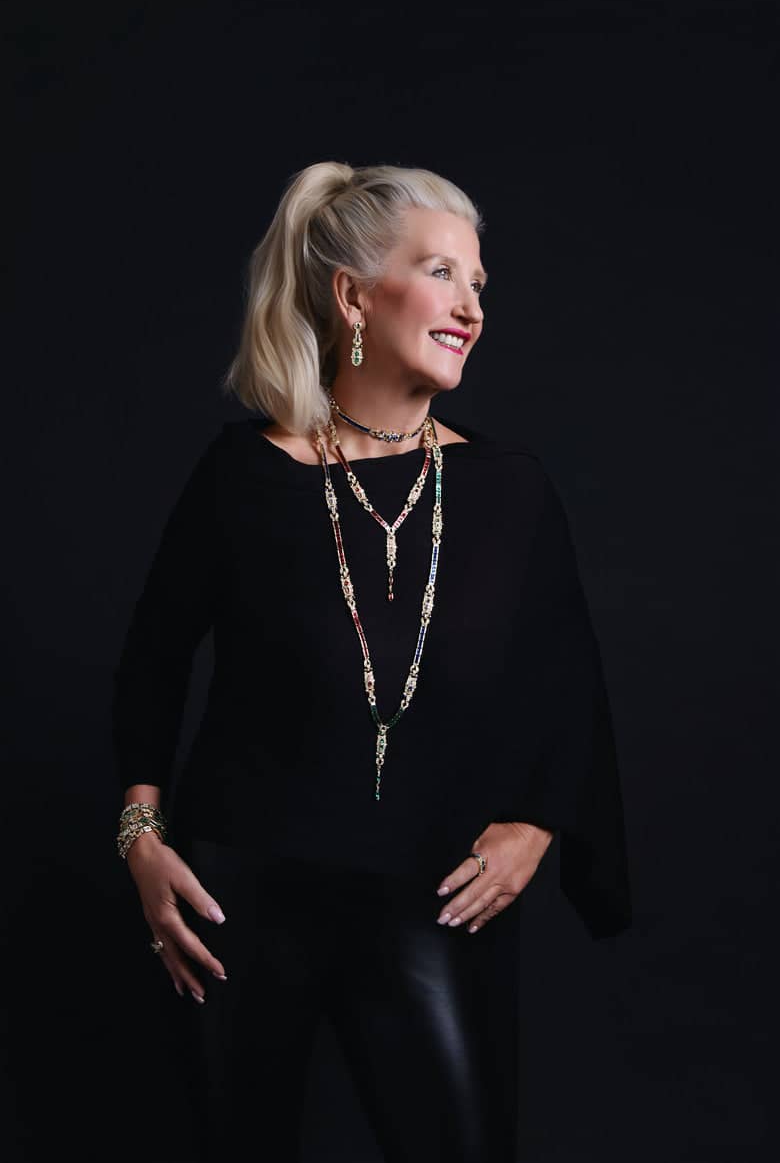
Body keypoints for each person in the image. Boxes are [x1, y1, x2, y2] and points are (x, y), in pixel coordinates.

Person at [112, 161, 632, 1162]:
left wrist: (536, 823)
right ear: (352, 296)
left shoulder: (509, 489)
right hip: (238, 896)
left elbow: (568, 685)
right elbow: (151, 659)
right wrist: (141, 836)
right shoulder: (242, 475)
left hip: (430, 896)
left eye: (478, 283)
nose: (472, 306)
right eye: (442, 273)